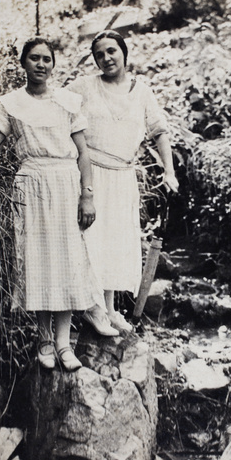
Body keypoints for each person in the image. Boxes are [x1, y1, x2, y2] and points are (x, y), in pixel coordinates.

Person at [0, 37, 119, 372]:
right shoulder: (11, 103)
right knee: (37, 262)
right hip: (30, 184)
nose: (41, 65)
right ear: (23, 63)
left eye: (47, 59)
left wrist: (86, 194)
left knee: (68, 262)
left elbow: (83, 153)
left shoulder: (68, 101)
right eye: (34, 58)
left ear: (53, 64)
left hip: (65, 183)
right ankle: (44, 340)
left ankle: (64, 343)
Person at [68, 30, 179, 332]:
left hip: (123, 176)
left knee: (116, 243)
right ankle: (92, 310)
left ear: (124, 53)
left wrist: (169, 171)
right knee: (91, 239)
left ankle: (110, 309)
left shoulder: (141, 91)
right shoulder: (83, 87)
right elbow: (54, 110)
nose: (106, 58)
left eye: (111, 51)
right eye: (99, 54)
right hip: (91, 173)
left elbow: (159, 131)